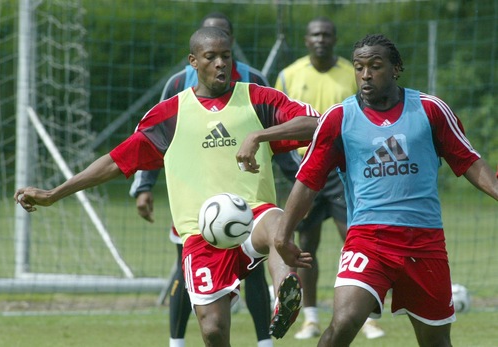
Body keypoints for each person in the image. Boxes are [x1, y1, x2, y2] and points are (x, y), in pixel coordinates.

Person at [15, 27, 320, 346]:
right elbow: (114, 162)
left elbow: (317, 124)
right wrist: (53, 194)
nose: (220, 63)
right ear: (193, 61)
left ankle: (285, 291)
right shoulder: (168, 115)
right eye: (211, 57)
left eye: (226, 56)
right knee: (213, 329)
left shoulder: (258, 98)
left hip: (251, 216)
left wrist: (258, 135)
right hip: (201, 235)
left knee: (277, 225)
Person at [274, 33, 498, 347]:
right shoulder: (339, 118)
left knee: (436, 342)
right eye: (359, 67)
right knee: (343, 324)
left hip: (425, 242)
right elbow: (308, 180)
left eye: (375, 66)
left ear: (396, 68)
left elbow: (469, 161)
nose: (365, 74)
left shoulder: (430, 110)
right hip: (369, 239)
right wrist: (282, 235)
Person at [129, 12, 273, 347]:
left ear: (231, 42)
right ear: (195, 55)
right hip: (195, 203)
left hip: (245, 198)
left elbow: (272, 134)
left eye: (224, 43)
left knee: (255, 272)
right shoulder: (178, 85)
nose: (219, 57)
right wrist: (145, 186)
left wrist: (297, 180)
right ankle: (176, 341)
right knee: (186, 272)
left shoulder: (254, 82)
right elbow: (154, 140)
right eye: (210, 48)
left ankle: (265, 341)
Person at [273, 17, 384, 340]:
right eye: (315, 34)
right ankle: (310, 317)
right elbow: (279, 120)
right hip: (303, 170)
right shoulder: (289, 74)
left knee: (355, 238)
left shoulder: (355, 72)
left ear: (335, 39)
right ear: (306, 40)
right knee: (306, 245)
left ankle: (365, 315)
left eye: (326, 34)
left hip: (343, 171)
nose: (320, 39)